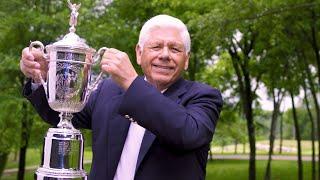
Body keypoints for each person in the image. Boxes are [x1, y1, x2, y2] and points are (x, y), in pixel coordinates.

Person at [20, 14, 223, 180]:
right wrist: (43, 76)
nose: (164, 55)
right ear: (138, 53)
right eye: (156, 47)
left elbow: (186, 132)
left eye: (175, 49)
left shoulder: (204, 96)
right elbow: (61, 114)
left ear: (186, 60)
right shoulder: (108, 89)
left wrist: (131, 82)